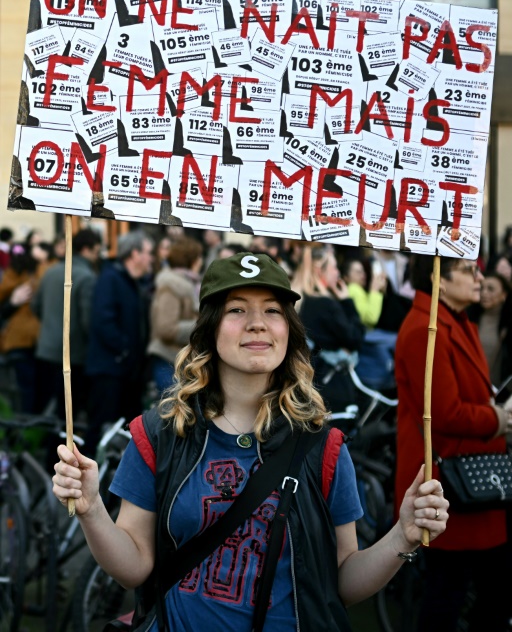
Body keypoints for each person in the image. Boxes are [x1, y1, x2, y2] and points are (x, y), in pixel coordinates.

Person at [53, 251, 448, 632]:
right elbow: (134, 567)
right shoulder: (159, 434)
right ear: (210, 328)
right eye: (237, 309)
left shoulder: (324, 448)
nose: (257, 323)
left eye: (273, 310)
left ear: (288, 330)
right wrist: (92, 511)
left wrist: (402, 534)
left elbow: (342, 583)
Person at [394, 254, 512, 632]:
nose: (479, 278)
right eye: (468, 270)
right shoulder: (423, 331)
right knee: (451, 594)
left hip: (472, 481)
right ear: (439, 280)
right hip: (451, 484)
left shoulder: (453, 323)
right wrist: (498, 418)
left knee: (482, 592)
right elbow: (444, 413)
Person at [83, 230, 154, 456]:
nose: (151, 258)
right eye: (148, 253)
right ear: (135, 254)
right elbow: (102, 321)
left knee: (128, 430)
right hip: (109, 370)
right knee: (101, 428)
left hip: (127, 372)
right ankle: (84, 478)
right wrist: (124, 350)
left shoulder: (132, 282)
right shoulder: (111, 278)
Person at [31, 228, 102, 420]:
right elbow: (88, 322)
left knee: (44, 409)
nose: (97, 257)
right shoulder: (87, 277)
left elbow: (35, 306)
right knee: (66, 413)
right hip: (72, 354)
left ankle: (38, 446)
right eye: (96, 251)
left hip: (45, 349)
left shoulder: (50, 272)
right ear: (86, 250)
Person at [293, 244, 365, 409]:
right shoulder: (326, 305)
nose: (338, 273)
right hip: (329, 388)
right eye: (334, 268)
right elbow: (355, 338)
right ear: (320, 271)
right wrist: (347, 302)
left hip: (303, 386)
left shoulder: (297, 300)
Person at [0, 241, 53, 412]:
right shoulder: (41, 274)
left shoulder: (16, 276)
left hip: (23, 341)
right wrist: (12, 302)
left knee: (27, 388)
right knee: (30, 389)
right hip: (32, 340)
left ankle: (27, 425)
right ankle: (28, 426)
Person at [147, 236, 203, 394]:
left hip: (180, 361)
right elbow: (165, 328)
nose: (201, 261)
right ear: (191, 259)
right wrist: (202, 325)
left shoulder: (190, 283)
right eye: (199, 256)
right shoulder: (172, 284)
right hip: (168, 360)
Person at [342, 257, 397, 390]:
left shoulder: (358, 290)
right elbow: (370, 317)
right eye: (357, 272)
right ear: (346, 277)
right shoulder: (353, 289)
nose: (363, 275)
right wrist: (374, 290)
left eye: (363, 271)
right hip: (366, 337)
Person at [468, 273, 512, 389]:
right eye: (481, 288)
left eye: (490, 289)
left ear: (504, 295)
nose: (484, 293)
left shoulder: (508, 324)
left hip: (498, 391)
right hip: (470, 386)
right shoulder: (468, 318)